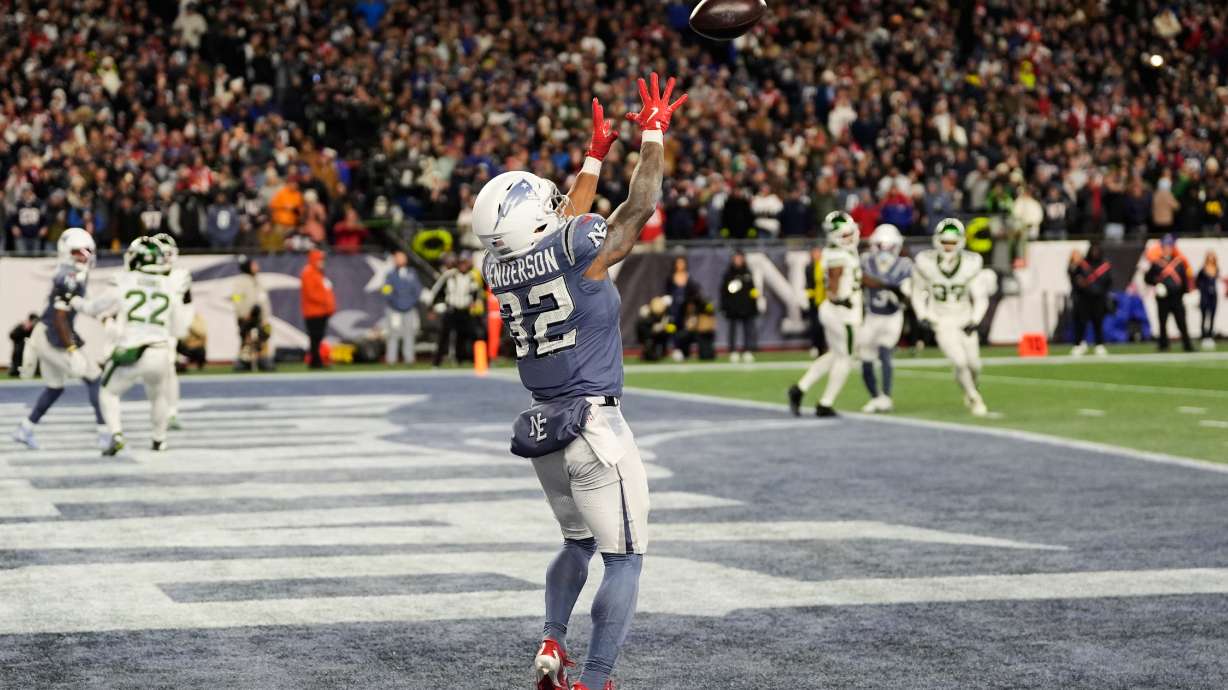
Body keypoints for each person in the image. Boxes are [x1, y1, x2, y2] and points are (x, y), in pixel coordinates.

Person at [475, 75, 684, 690]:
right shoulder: (577, 245)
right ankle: (596, 679)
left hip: (545, 429)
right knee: (625, 558)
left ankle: (552, 643)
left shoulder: (497, 266)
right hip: (595, 425)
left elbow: (550, 227)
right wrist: (652, 136)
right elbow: (637, 209)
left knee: (577, 544)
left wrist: (594, 157)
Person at [11, 228, 109, 450]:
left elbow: (83, 306)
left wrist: (105, 316)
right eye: (79, 251)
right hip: (52, 336)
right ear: (68, 252)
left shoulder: (72, 273)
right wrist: (72, 350)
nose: (85, 255)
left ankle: (25, 429)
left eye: (88, 251)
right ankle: (106, 434)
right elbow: (60, 318)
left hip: (45, 333)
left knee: (55, 387)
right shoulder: (70, 277)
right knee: (95, 379)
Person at [98, 237, 186, 455]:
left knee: (107, 392)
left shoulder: (124, 280)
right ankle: (159, 439)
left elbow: (101, 309)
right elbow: (180, 330)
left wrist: (95, 314)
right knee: (158, 396)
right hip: (160, 349)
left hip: (135, 348)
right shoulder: (170, 284)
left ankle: (116, 434)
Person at [911, 218, 992, 416]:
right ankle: (974, 397)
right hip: (941, 319)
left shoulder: (971, 263)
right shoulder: (925, 262)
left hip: (964, 318)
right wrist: (923, 315)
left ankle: (970, 387)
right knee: (959, 362)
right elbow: (917, 292)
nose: (948, 247)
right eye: (945, 242)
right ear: (937, 240)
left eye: (952, 242)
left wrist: (975, 320)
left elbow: (980, 297)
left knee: (974, 365)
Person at [788, 211, 862, 417]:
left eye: (849, 234)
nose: (848, 238)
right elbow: (835, 280)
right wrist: (840, 298)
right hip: (843, 313)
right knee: (845, 359)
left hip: (832, 311)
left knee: (836, 355)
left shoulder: (834, 251)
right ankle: (825, 403)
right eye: (844, 235)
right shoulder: (838, 255)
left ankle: (799, 389)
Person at [858, 224, 913, 413]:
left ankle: (887, 396)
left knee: (884, 352)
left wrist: (902, 293)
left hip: (892, 316)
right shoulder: (866, 261)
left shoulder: (905, 265)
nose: (885, 251)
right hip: (872, 316)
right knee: (865, 358)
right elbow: (861, 279)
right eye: (881, 246)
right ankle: (876, 396)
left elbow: (908, 294)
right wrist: (888, 286)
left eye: (889, 246)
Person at [151, 233, 193, 428]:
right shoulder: (147, 273)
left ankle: (171, 411)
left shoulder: (180, 275)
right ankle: (159, 410)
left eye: (169, 253)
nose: (166, 257)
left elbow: (186, 304)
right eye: (162, 253)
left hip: (167, 330)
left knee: (168, 370)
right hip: (147, 328)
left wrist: (180, 329)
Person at [429, 253, 483, 366]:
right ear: (457, 264)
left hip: (465, 310)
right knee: (444, 336)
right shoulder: (449, 275)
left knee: (465, 335)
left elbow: (476, 293)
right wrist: (432, 307)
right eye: (461, 263)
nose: (463, 266)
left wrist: (474, 303)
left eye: (465, 263)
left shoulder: (472, 277)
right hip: (451, 309)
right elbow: (437, 290)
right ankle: (437, 362)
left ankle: (461, 360)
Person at [1145, 234, 1193, 352]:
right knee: (1162, 322)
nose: (1168, 248)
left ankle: (1187, 345)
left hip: (1176, 297)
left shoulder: (1178, 262)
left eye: (1169, 246)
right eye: (1165, 246)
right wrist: (1157, 283)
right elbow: (1148, 278)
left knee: (1181, 322)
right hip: (1163, 298)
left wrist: (1184, 292)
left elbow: (1184, 279)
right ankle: (1163, 345)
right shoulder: (1156, 263)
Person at [1068, 242, 1112, 356]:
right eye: (1093, 250)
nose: (1095, 253)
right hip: (1084, 298)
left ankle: (1099, 344)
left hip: (1099, 298)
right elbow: (1073, 276)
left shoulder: (1104, 265)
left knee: (1098, 322)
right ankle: (1079, 344)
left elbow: (1108, 282)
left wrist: (1103, 293)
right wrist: (1077, 277)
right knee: (1081, 322)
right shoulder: (1082, 264)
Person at [232, 256, 274, 371]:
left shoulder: (258, 281)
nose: (256, 266)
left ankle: (262, 359)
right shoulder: (241, 281)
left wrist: (266, 317)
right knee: (246, 338)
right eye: (254, 264)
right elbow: (236, 298)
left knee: (264, 335)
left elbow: (264, 301)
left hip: (260, 317)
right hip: (246, 316)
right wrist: (242, 313)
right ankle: (244, 361)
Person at [382, 250, 423, 364]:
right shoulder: (390, 275)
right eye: (397, 258)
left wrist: (410, 303)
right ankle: (391, 359)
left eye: (401, 258)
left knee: (409, 333)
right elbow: (386, 291)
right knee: (393, 334)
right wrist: (395, 304)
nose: (399, 260)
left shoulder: (412, 273)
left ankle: (409, 358)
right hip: (394, 309)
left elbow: (417, 290)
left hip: (409, 308)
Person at [720, 250, 758, 362]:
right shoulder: (728, 274)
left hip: (746, 307)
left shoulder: (747, 273)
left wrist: (753, 304)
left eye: (740, 258)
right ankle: (733, 351)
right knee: (732, 330)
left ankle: (747, 350)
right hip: (733, 308)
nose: (738, 260)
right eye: (736, 258)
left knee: (748, 329)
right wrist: (725, 307)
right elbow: (724, 292)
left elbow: (752, 290)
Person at [663, 256, 704, 361]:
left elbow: (694, 292)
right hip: (674, 308)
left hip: (685, 309)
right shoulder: (671, 277)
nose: (680, 265)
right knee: (673, 328)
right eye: (678, 263)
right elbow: (667, 291)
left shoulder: (689, 278)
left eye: (682, 263)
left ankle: (685, 351)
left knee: (686, 330)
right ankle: (675, 349)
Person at [300, 248, 336, 368]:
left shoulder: (318, 273)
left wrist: (329, 306)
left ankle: (316, 360)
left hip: (321, 311)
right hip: (313, 312)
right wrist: (326, 302)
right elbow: (311, 294)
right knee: (315, 337)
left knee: (318, 337)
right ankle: (315, 361)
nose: (322, 262)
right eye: (320, 260)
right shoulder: (308, 272)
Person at [803, 245, 827, 357]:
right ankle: (816, 347)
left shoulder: (825, 266)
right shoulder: (809, 267)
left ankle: (825, 347)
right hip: (814, 301)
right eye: (814, 253)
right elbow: (808, 284)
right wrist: (810, 294)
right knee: (815, 326)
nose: (816, 255)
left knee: (826, 326)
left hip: (825, 300)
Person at [1196, 252, 1220, 350]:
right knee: (1204, 315)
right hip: (1205, 296)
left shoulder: (1216, 269)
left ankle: (1210, 335)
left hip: (1213, 296)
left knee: (1212, 316)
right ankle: (1203, 335)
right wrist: (1203, 289)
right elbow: (1197, 282)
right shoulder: (1202, 270)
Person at [8, 314, 38, 378]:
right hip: (19, 350)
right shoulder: (21, 326)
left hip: (31, 350)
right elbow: (12, 335)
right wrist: (23, 329)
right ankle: (15, 370)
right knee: (16, 368)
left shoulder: (36, 328)